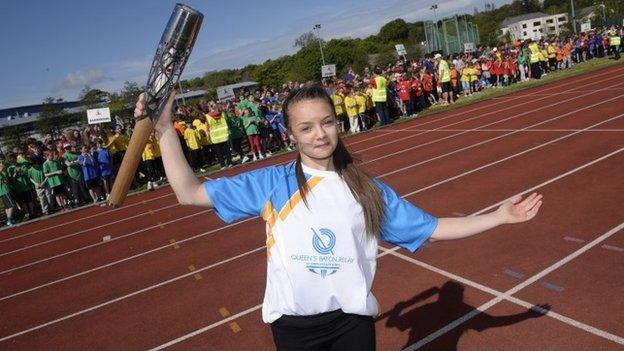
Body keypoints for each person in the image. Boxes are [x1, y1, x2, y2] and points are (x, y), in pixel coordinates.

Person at [134, 84, 543, 351]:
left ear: (337, 123)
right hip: (293, 329)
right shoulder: (271, 184)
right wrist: (166, 129)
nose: (320, 134)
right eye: (307, 127)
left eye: (327, 122)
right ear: (290, 134)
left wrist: (498, 217)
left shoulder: (366, 190)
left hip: (351, 324)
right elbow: (189, 193)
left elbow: (432, 228)